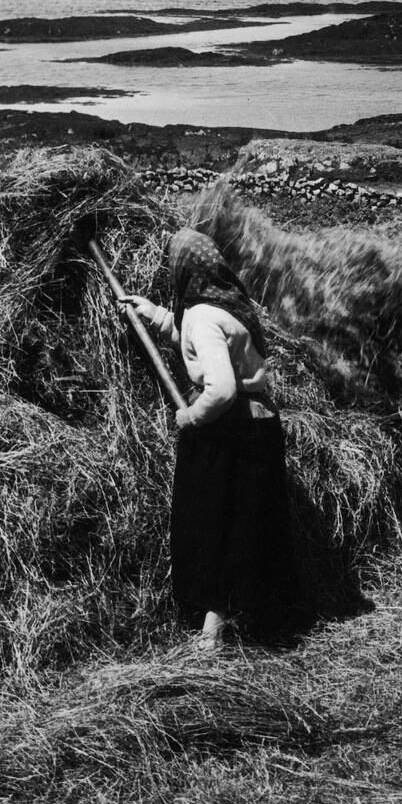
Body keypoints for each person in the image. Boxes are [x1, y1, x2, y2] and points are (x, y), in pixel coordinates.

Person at [123, 227, 303, 650]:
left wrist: (190, 416)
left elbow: (219, 387)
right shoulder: (228, 305)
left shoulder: (203, 317)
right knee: (245, 526)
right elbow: (198, 343)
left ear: (183, 270)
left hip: (230, 433)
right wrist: (154, 313)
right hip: (260, 427)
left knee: (214, 525)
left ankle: (212, 634)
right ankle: (250, 619)